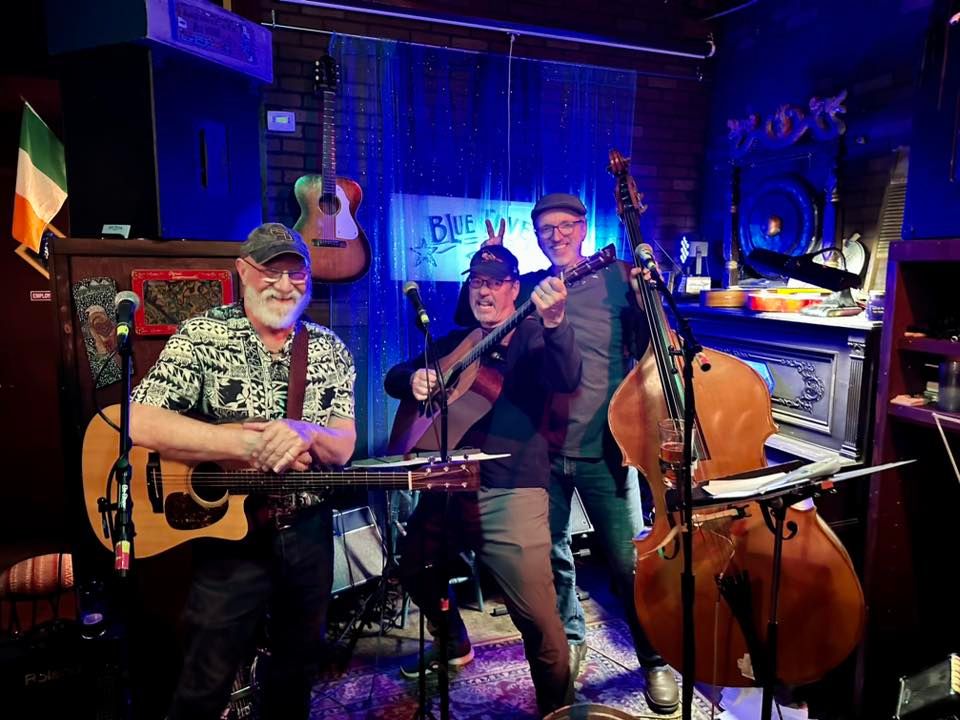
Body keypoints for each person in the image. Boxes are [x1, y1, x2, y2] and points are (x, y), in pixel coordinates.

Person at [455, 194, 680, 714]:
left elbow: (656, 351)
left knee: (626, 563)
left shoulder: (620, 278)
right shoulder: (534, 287)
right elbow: (476, 307)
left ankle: (655, 660)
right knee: (555, 560)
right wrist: (490, 257)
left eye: (564, 227)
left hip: (604, 448)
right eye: (544, 230)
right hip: (541, 454)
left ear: (583, 228)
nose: (554, 236)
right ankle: (572, 640)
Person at [129, 222, 357, 720]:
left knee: (297, 672)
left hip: (309, 533)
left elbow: (343, 447)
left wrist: (306, 432)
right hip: (230, 539)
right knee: (204, 679)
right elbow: (140, 419)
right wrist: (239, 442)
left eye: (296, 273)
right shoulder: (203, 334)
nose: (283, 284)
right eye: (269, 271)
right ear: (242, 271)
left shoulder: (329, 349)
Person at [385, 244, 579, 717]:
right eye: (477, 283)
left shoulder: (532, 336)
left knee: (536, 616)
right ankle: (453, 642)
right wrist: (414, 381)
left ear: (515, 288)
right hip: (450, 484)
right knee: (413, 566)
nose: (484, 292)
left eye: (495, 283)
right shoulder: (460, 339)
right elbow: (396, 374)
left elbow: (566, 372)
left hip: (509, 487)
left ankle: (558, 708)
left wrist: (555, 322)